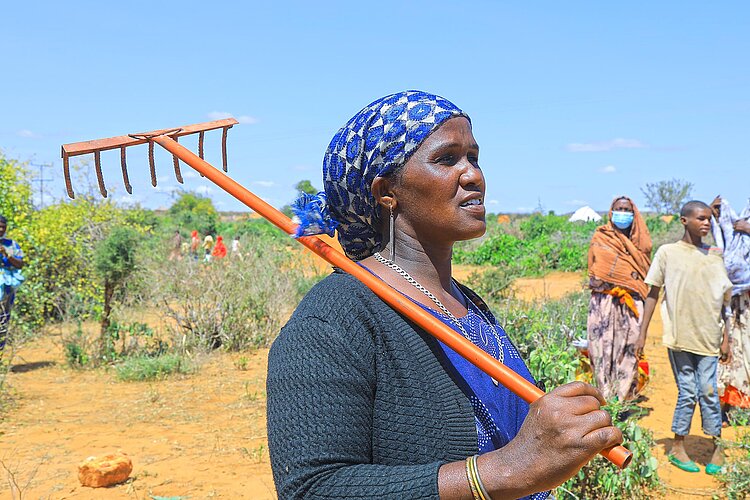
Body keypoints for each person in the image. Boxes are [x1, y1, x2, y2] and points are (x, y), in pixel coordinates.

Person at [266, 90, 622, 499]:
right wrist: (505, 471)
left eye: (474, 157)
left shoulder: (467, 303)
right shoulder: (335, 319)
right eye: (446, 159)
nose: (473, 175)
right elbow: (312, 489)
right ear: (386, 191)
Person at [640, 200, 733, 475]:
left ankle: (717, 445)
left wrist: (726, 337)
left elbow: (724, 302)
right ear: (684, 221)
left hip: (709, 337)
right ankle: (677, 445)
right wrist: (641, 334)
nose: (706, 223)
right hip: (680, 337)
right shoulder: (668, 253)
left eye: (708, 219)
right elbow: (653, 293)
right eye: (700, 218)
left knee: (709, 390)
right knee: (688, 391)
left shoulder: (714, 256)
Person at [587, 196, 652, 402]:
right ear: (610, 212)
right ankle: (604, 398)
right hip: (603, 304)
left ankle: (622, 401)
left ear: (634, 215)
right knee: (600, 351)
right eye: (618, 209)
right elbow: (595, 272)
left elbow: (644, 279)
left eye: (626, 209)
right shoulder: (601, 237)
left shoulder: (641, 246)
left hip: (631, 305)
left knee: (629, 350)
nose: (622, 213)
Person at [712, 196, 750, 411]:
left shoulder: (744, 228)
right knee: (726, 351)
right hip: (727, 302)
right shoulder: (729, 234)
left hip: (747, 301)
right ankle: (726, 406)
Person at [0, 215, 25, 350]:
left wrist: (7, 255)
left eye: (3, 227)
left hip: (7, 287)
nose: (1, 229)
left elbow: (20, 264)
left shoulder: (11, 245)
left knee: (3, 319)